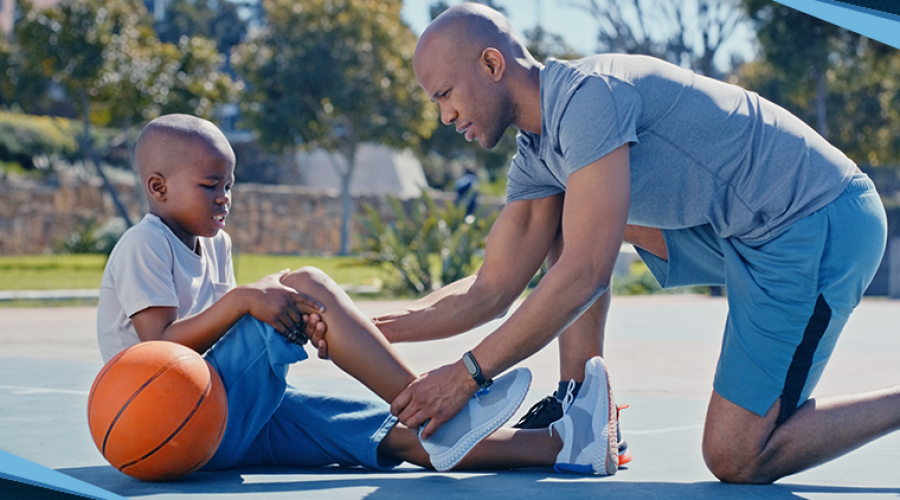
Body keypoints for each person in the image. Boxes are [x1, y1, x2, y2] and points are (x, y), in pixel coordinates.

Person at [357, 3, 898, 484]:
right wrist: (355, 324)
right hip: (741, 232)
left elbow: (588, 270)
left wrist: (468, 375)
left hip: (815, 221)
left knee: (737, 457)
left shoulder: (590, 98)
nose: (444, 115)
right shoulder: (538, 153)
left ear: (493, 65)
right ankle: (582, 407)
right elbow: (491, 287)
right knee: (563, 219)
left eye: (445, 94)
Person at [95, 113, 615, 477]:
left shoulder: (217, 246)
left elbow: (228, 334)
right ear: (159, 188)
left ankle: (567, 445)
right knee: (306, 284)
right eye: (211, 185)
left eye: (229, 185)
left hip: (224, 420)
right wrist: (252, 301)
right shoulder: (145, 244)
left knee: (406, 437)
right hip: (167, 423)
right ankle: (445, 410)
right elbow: (159, 348)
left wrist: (281, 313)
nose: (224, 197)